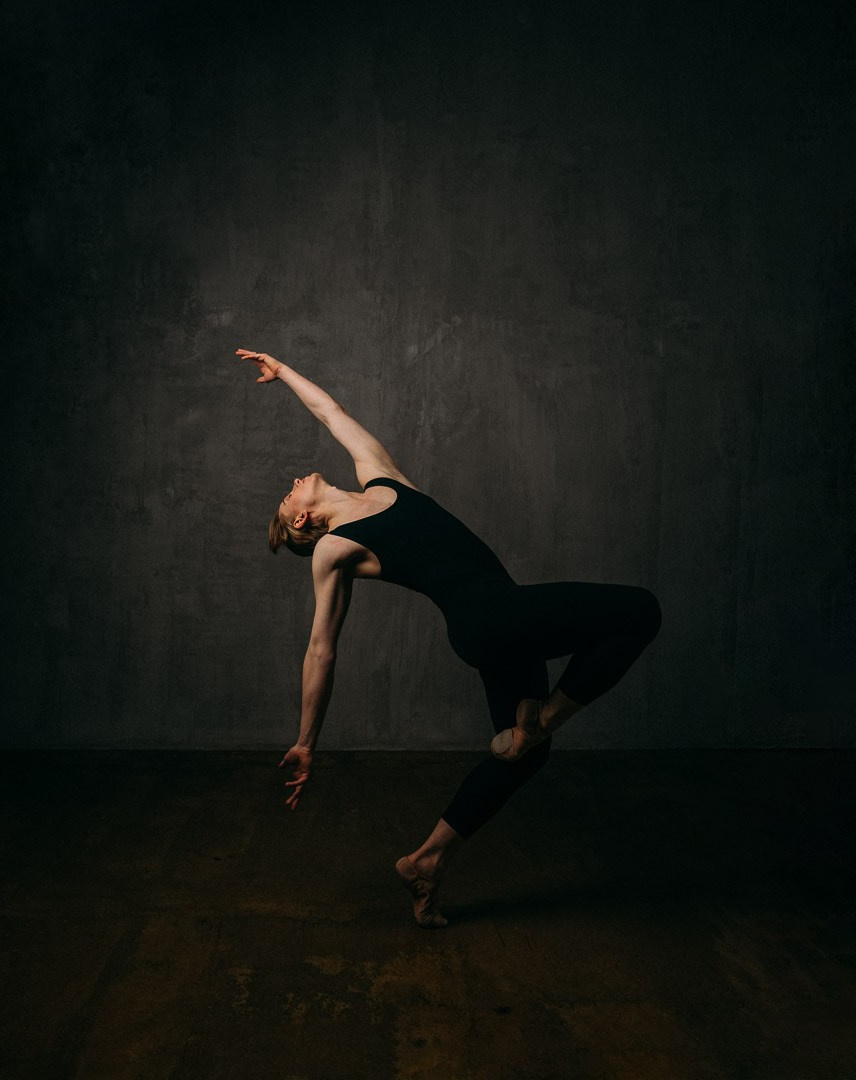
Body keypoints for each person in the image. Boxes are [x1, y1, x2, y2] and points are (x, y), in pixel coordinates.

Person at [236, 347, 662, 928]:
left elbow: (331, 413)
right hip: (494, 620)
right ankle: (547, 717)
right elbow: (321, 648)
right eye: (287, 499)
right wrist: (308, 740)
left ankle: (426, 862)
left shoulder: (381, 477)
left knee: (524, 759)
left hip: (501, 626)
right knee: (640, 610)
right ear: (302, 523)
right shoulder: (335, 550)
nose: (292, 483)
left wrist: (282, 372)